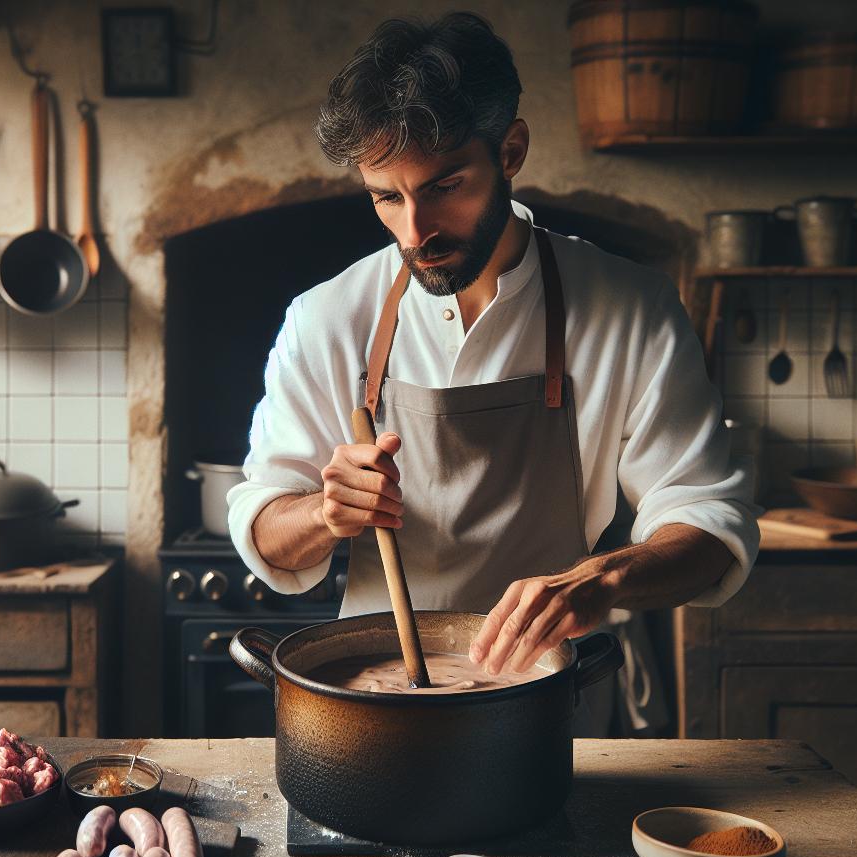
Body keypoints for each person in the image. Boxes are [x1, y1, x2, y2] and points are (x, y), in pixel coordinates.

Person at [226, 11, 757, 686]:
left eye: (445, 187)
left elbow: (709, 523)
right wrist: (325, 513)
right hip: (372, 695)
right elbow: (265, 524)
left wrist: (603, 577)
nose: (415, 231)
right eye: (387, 198)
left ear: (510, 151)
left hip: (547, 695)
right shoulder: (325, 317)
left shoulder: (632, 309)